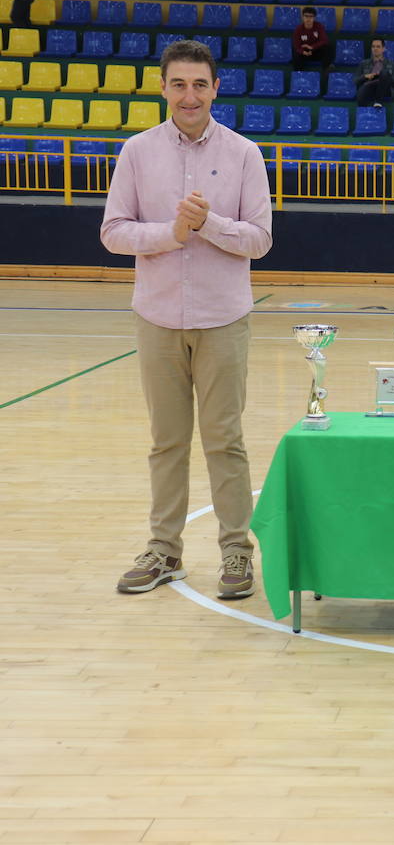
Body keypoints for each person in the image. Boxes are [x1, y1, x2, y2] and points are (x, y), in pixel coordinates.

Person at [101, 40, 272, 598]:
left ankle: (236, 553)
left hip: (223, 319)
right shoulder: (137, 153)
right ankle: (164, 550)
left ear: (215, 88)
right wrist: (169, 234)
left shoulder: (246, 154)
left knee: (225, 440)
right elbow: (114, 231)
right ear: (163, 88)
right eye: (179, 84)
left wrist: (209, 224)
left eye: (200, 84)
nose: (190, 94)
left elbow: (260, 239)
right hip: (157, 318)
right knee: (166, 441)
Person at [354, 37, 394, 107]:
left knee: (384, 73)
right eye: (373, 46)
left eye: (378, 46)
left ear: (383, 49)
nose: (375, 48)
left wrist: (386, 77)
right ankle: (363, 113)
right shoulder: (364, 63)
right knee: (362, 89)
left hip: (386, 89)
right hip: (369, 87)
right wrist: (365, 76)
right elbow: (355, 81)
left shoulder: (392, 64)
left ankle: (378, 101)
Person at [290, 6, 335, 75]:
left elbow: (324, 40)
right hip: (304, 53)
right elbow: (296, 45)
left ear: (314, 18)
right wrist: (303, 52)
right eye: (306, 16)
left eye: (311, 16)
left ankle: (326, 68)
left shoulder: (319, 26)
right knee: (295, 51)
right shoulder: (298, 29)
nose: (308, 19)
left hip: (316, 51)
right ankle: (298, 73)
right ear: (302, 17)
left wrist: (312, 47)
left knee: (329, 46)